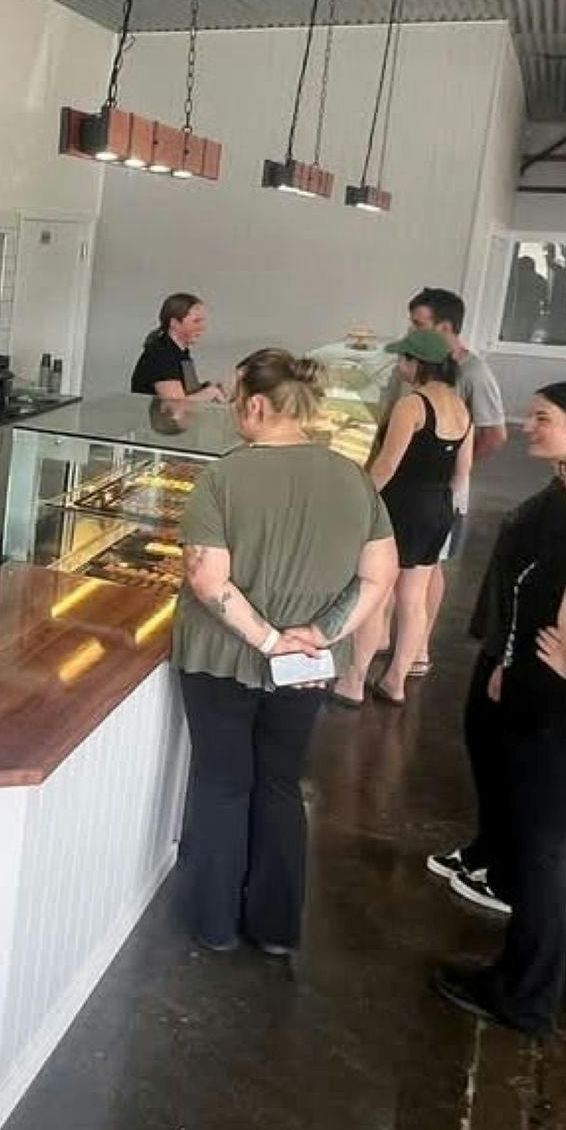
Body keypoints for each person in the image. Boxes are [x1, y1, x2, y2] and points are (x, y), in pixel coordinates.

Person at [174, 349, 398, 954]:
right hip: (305, 669)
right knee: (279, 783)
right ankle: (275, 928)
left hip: (221, 661)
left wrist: (270, 641)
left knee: (223, 784)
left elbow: (207, 579)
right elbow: (382, 575)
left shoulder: (223, 477)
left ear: (254, 404)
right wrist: (319, 635)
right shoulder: (352, 477)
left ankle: (215, 924)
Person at [433, 427, 566, 1036]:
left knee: (540, 852)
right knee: (565, 846)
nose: (564, 475)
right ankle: (561, 968)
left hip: (558, 717)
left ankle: (525, 995)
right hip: (556, 712)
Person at [341, 328, 472, 704]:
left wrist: (356, 500)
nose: (399, 366)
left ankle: (353, 681)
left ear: (418, 364)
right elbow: (461, 475)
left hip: (401, 507)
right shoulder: (461, 408)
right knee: (414, 599)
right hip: (438, 508)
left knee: (376, 594)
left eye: (403, 360)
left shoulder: (412, 405)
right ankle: (395, 681)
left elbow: (386, 466)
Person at [384, 288, 506, 677]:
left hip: (440, 493)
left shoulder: (474, 373)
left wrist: (446, 466)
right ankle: (406, 652)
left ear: (445, 328)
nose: (413, 332)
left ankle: (418, 649)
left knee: (427, 570)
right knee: (420, 574)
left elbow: (496, 433)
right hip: (437, 492)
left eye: (420, 325)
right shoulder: (432, 382)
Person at [129, 293, 227, 403]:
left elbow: (187, 392)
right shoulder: (162, 355)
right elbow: (176, 407)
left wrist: (205, 388)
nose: (202, 327)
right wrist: (211, 393)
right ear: (174, 323)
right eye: (196, 321)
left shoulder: (181, 353)